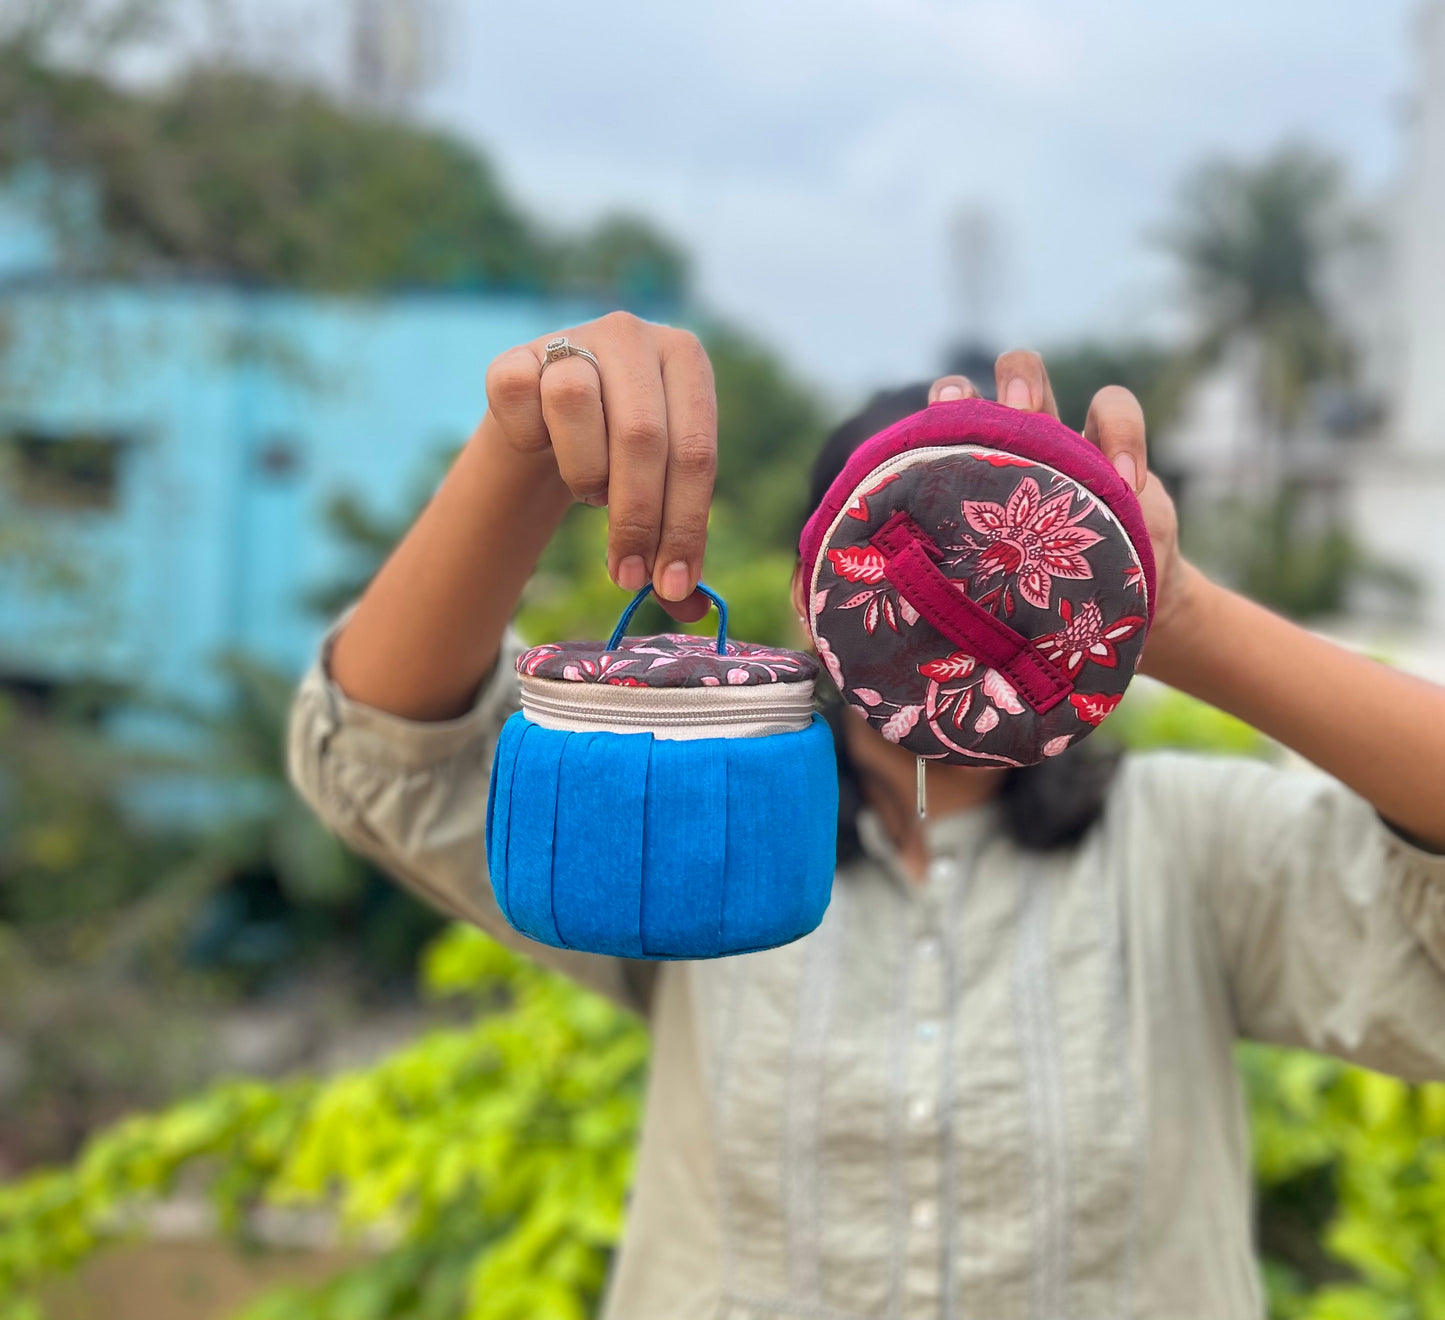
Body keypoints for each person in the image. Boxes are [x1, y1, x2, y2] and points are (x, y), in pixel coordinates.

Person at [287, 313, 1445, 1320]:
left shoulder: (1186, 845)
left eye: (1008, 571)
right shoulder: (705, 825)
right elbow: (391, 755)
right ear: (811, 596)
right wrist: (523, 446)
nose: (962, 602)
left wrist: (1171, 613)